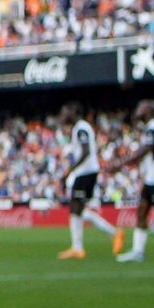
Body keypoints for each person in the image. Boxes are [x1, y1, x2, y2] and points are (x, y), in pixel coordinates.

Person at [56, 102, 119, 259]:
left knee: (76, 208)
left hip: (86, 172)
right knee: (76, 209)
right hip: (87, 172)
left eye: (65, 112)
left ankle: (81, 246)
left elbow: (85, 151)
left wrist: (70, 171)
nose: (63, 116)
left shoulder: (82, 128)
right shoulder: (79, 128)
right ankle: (109, 234)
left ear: (73, 112)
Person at [107, 99, 154, 263]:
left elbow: (145, 150)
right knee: (142, 212)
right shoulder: (152, 127)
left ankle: (138, 251)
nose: (138, 109)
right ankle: (138, 251)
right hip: (151, 179)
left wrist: (120, 164)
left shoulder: (153, 128)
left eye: (141, 107)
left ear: (149, 110)